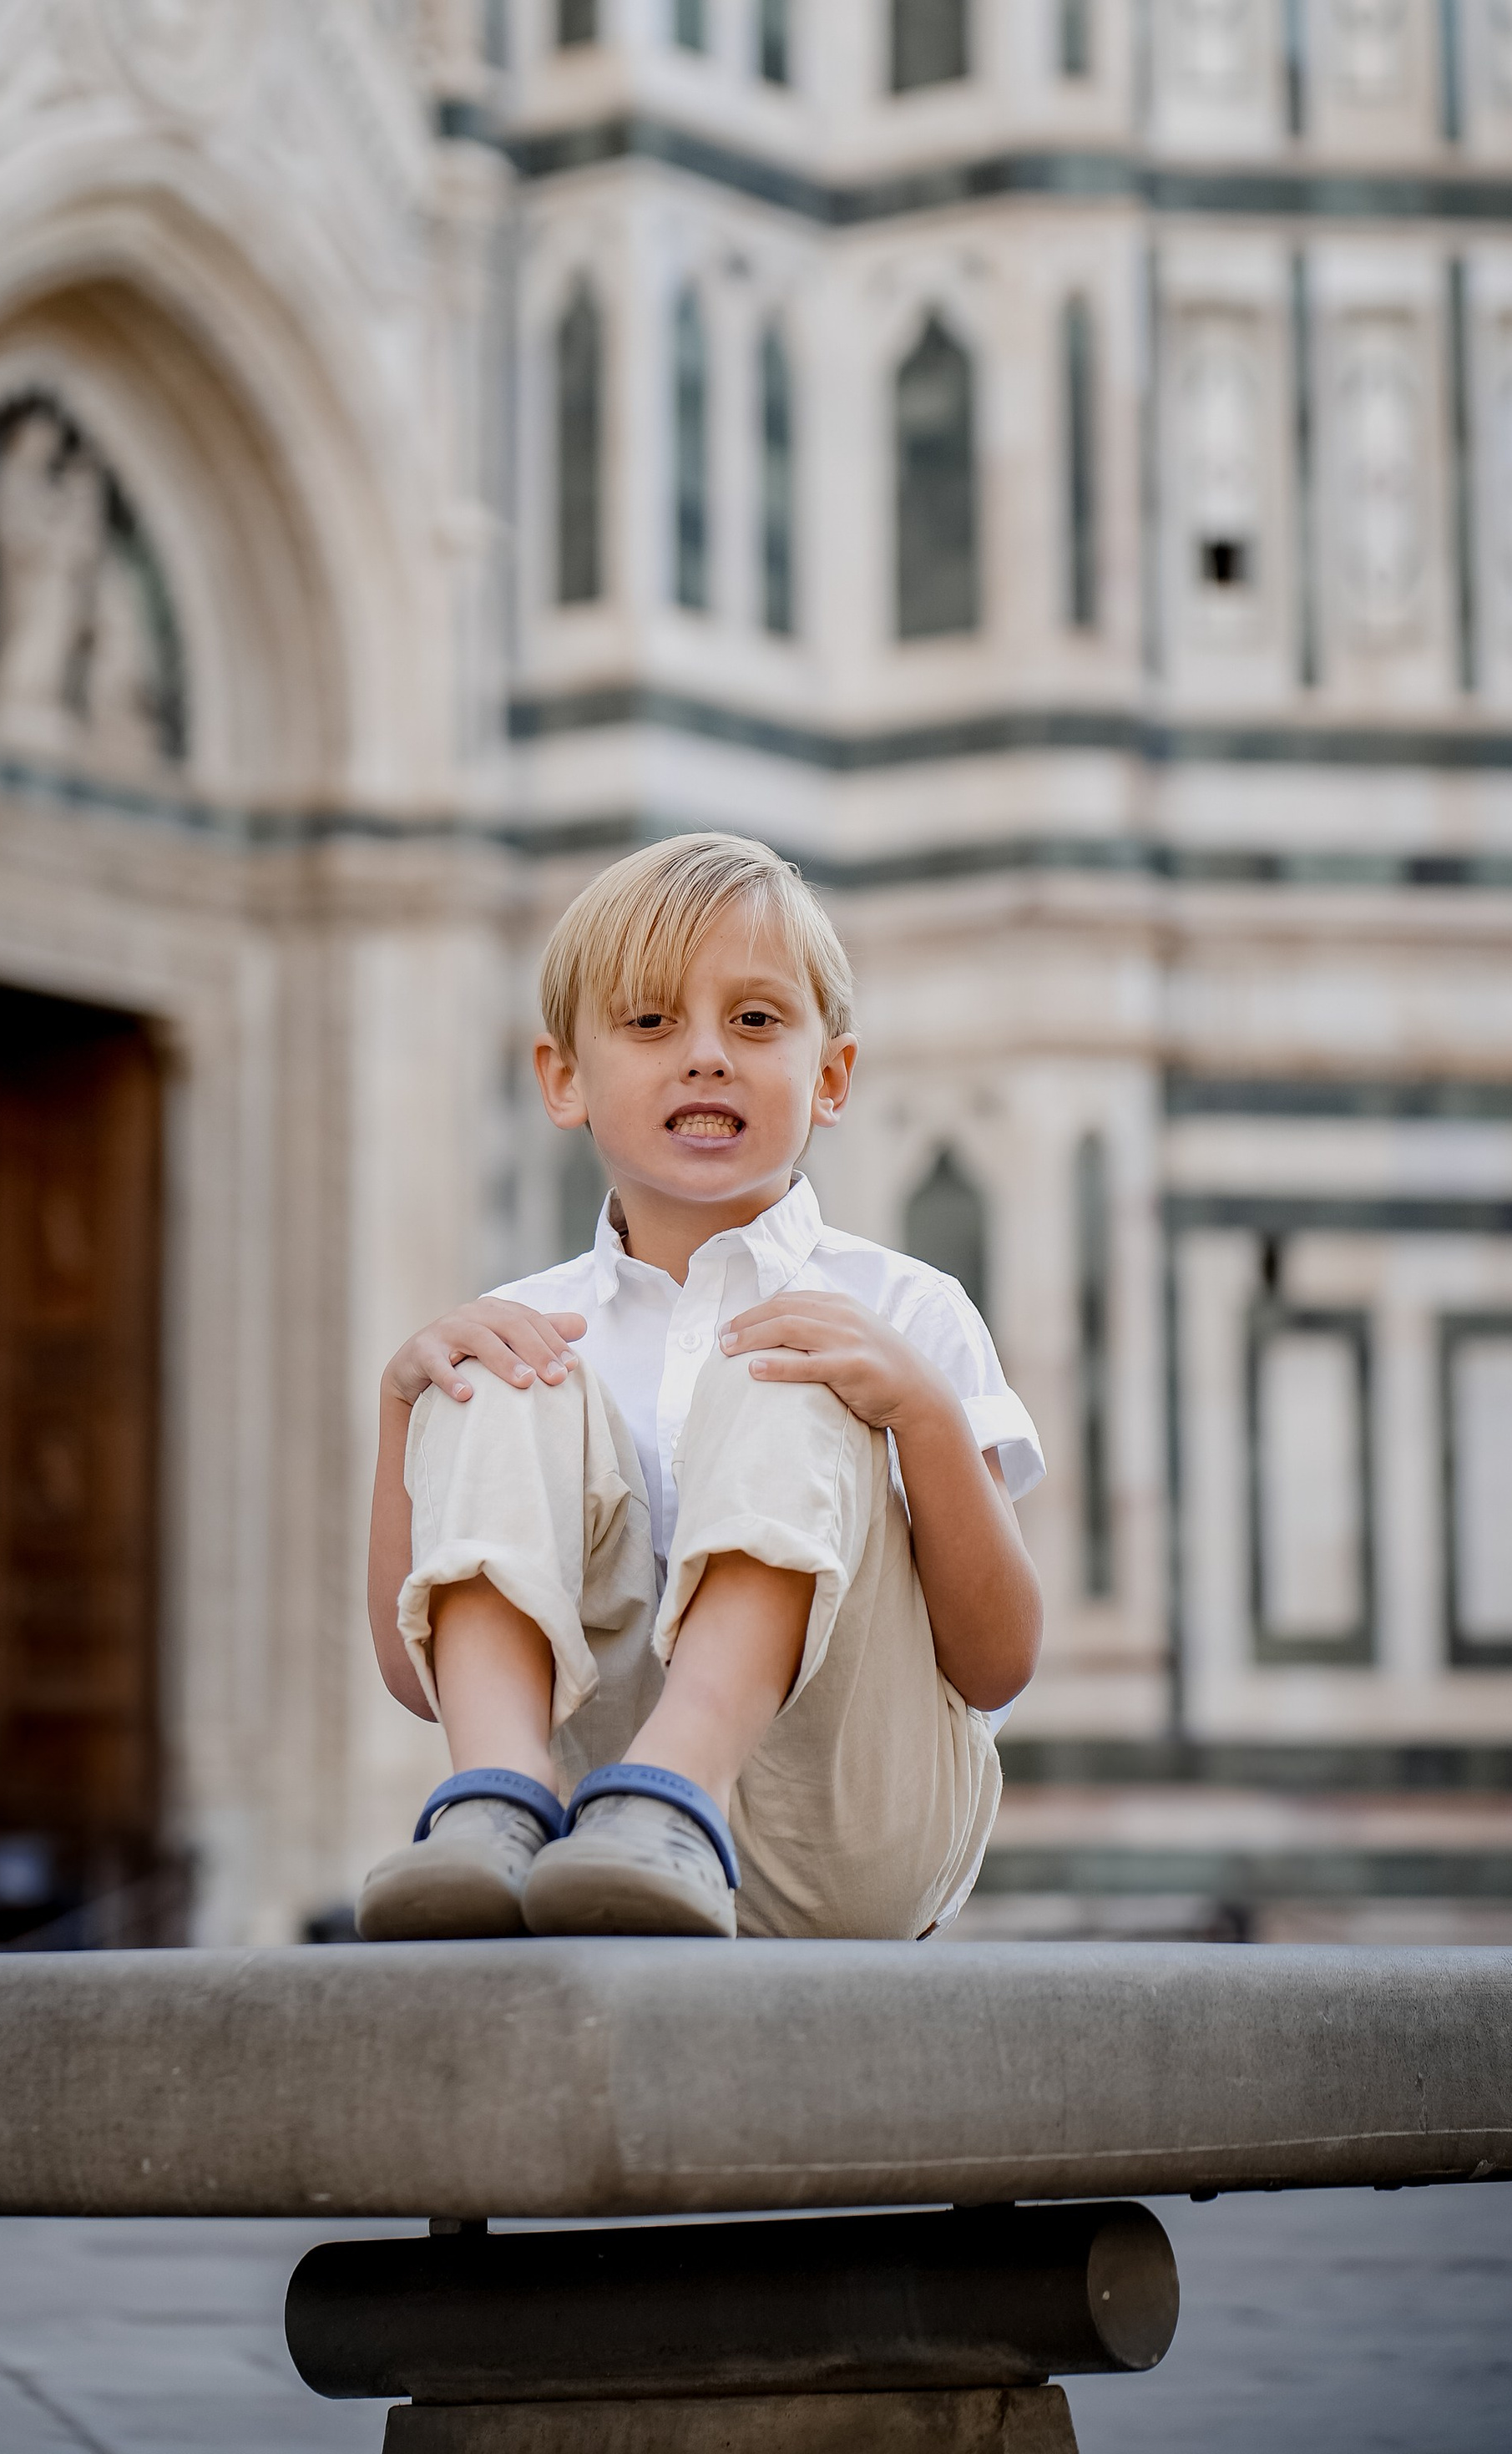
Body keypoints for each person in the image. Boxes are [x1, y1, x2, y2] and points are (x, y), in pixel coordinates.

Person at [357, 832, 1044, 1941]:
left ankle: (674, 1792)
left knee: (797, 1362)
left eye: (757, 1021)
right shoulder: (537, 1320)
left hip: (847, 1848)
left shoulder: (904, 1312)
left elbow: (998, 1661)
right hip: (584, 1854)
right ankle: (494, 1806)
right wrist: (406, 1409)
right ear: (564, 1078)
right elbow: (408, 1670)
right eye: (650, 1021)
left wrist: (918, 1412)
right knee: (500, 1365)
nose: (707, 1055)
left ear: (831, 1077)